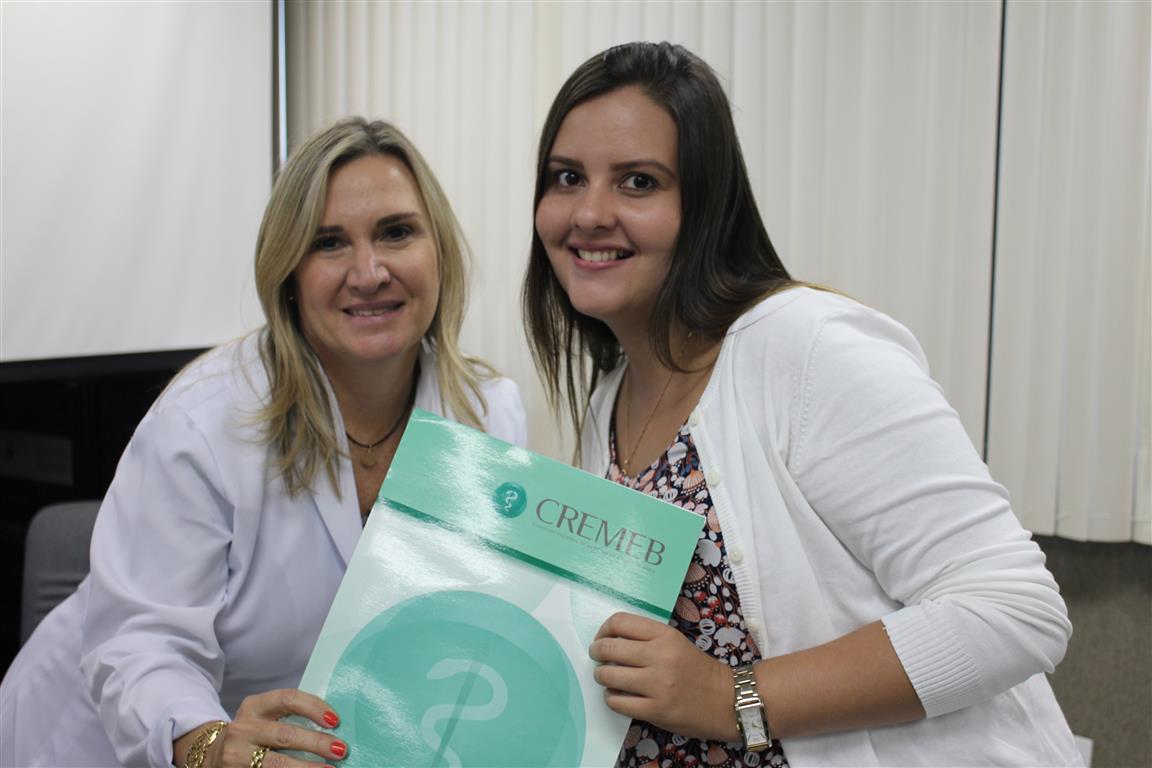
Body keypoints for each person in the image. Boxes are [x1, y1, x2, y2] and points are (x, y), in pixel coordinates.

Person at [523, 42, 1081, 767]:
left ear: (705, 206)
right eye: (567, 177)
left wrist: (733, 698)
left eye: (638, 181)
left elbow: (1014, 610)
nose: (590, 212)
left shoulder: (806, 348)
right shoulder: (610, 398)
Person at [1, 117, 526, 768]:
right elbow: (141, 647)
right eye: (329, 243)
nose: (369, 272)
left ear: (439, 249)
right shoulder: (204, 422)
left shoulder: (488, 415)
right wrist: (209, 744)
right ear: (288, 274)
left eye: (396, 232)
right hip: (107, 742)